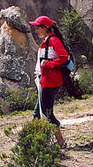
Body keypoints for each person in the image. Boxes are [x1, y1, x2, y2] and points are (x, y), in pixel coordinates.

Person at [29, 15, 68, 148]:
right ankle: (36, 143)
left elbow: (64, 57)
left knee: (47, 113)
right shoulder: (47, 41)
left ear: (46, 28)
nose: (36, 30)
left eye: (38, 27)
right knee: (37, 113)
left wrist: (49, 64)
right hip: (45, 81)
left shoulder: (53, 40)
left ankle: (60, 142)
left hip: (49, 82)